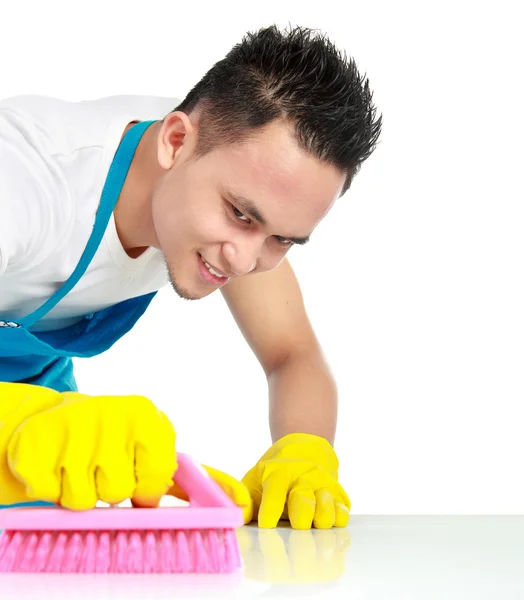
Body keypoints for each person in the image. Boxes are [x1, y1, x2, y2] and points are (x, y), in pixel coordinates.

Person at [0, 25, 382, 529]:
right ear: (175, 141)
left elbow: (292, 354)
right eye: (241, 215)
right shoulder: (26, 183)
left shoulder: (238, 168)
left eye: (282, 238)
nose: (246, 263)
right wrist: (23, 419)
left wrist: (303, 452)